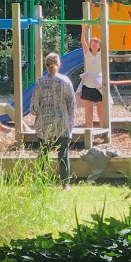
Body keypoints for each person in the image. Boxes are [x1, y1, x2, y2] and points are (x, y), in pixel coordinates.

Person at [30, 52, 76, 189]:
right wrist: (69, 120)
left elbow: (33, 107)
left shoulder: (39, 83)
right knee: (63, 153)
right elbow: (72, 105)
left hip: (45, 125)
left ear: (46, 66)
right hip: (62, 124)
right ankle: (65, 184)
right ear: (59, 64)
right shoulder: (65, 81)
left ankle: (40, 181)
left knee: (43, 153)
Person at [77, 23, 104, 128]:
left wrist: (101, 29)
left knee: (100, 110)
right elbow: (83, 41)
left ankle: (103, 130)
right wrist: (83, 28)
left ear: (99, 46)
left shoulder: (101, 54)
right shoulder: (87, 53)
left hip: (98, 85)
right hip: (88, 84)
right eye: (92, 42)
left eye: (96, 42)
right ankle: (89, 131)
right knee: (88, 111)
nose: (94, 43)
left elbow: (106, 42)